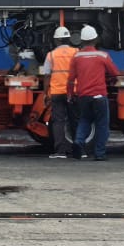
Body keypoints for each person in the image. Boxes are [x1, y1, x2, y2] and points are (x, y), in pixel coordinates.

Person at [68, 25, 121, 161]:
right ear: (96, 39)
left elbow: (70, 80)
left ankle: (79, 142)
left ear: (82, 40)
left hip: (83, 96)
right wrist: (112, 81)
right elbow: (115, 73)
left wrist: (70, 95)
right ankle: (99, 153)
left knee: (84, 120)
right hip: (99, 95)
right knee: (102, 124)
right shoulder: (102, 56)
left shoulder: (76, 57)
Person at [41, 26, 77, 159]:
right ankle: (77, 150)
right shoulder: (76, 52)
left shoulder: (51, 55)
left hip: (56, 92)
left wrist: (46, 93)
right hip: (72, 92)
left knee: (58, 121)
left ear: (56, 41)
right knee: (74, 120)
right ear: (69, 39)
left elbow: (46, 75)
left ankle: (61, 151)